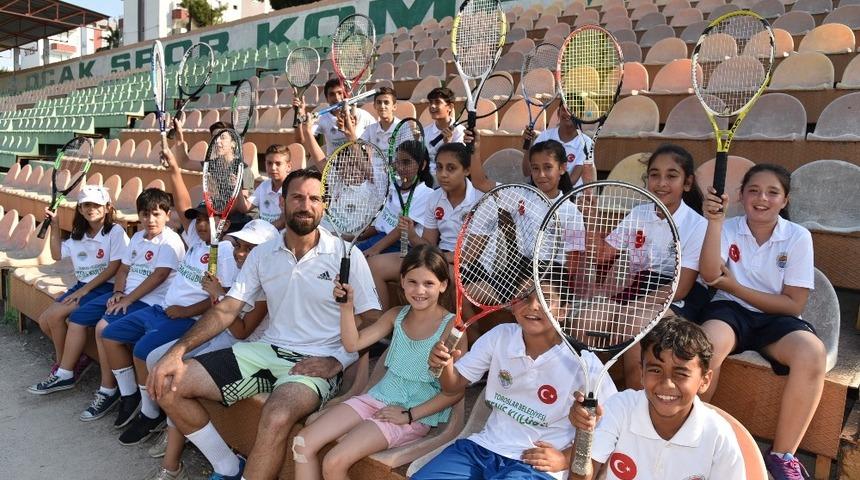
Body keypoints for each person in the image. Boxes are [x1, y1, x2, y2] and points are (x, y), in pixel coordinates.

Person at [148, 169, 382, 480]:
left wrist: (338, 359)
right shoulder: (263, 253)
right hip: (265, 350)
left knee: (276, 415)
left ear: (324, 205)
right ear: (282, 202)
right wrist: (177, 351)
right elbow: (228, 309)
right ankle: (227, 466)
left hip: (317, 361)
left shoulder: (346, 255)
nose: (306, 205)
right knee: (167, 384)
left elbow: (373, 319)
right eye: (297, 197)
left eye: (314, 199)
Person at [414, 276, 615, 480]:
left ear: (563, 311)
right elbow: (452, 386)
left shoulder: (584, 363)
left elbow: (613, 423)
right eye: (524, 297)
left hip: (536, 465)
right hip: (482, 448)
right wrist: (445, 365)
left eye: (545, 299)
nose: (533, 305)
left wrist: (566, 458)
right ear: (512, 304)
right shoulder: (500, 336)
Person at [293, 245, 464, 479]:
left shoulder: (452, 328)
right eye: (412, 282)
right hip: (377, 398)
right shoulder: (396, 315)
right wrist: (346, 307)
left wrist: (409, 415)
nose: (419, 290)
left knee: (334, 462)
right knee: (302, 442)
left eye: (429, 283)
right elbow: (353, 344)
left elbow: (453, 392)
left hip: (412, 412)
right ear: (402, 281)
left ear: (443, 285)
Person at [698, 163, 824, 480]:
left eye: (772, 192)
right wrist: (714, 223)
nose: (762, 198)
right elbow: (711, 275)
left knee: (812, 353)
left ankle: (782, 456)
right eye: (753, 190)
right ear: (741, 196)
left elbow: (793, 303)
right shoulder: (728, 227)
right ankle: (693, 435)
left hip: (776, 317)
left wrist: (736, 286)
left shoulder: (798, 236)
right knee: (705, 347)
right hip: (729, 310)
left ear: (785, 200)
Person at [143, 219, 278, 480]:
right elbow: (229, 302)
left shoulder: (268, 283)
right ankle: (177, 428)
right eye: (238, 245)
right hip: (223, 336)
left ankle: (175, 456)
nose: (240, 253)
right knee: (155, 359)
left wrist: (217, 295)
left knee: (172, 381)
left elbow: (241, 331)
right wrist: (218, 290)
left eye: (249, 248)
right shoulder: (244, 271)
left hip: (243, 346)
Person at [57, 188, 185, 428]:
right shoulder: (137, 238)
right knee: (98, 326)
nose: (150, 220)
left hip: (151, 301)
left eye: (156, 214)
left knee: (102, 328)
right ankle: (122, 392)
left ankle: (118, 391)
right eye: (145, 214)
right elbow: (124, 269)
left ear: (168, 215)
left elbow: (158, 276)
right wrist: (118, 293)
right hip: (130, 296)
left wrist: (127, 299)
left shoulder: (171, 241)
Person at [580, 314, 744, 480]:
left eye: (681, 374)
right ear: (642, 373)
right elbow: (581, 476)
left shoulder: (718, 436)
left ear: (705, 380)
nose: (667, 384)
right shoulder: (619, 408)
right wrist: (584, 433)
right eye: (656, 370)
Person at [27, 187, 130, 417]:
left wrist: (85, 290)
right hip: (83, 286)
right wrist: (55, 225)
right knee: (45, 320)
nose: (91, 209)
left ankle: (65, 371)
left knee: (58, 316)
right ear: (80, 209)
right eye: (86, 205)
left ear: (107, 208)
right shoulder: (78, 233)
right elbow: (56, 255)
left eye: (96, 205)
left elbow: (115, 267)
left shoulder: (115, 232)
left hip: (104, 287)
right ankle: (69, 364)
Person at [618, 145, 708, 389]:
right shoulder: (638, 213)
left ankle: (635, 396)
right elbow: (605, 253)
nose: (661, 183)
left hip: (678, 299)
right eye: (655, 175)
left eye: (671, 176)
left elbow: (680, 290)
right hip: (638, 288)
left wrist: (633, 305)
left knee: (636, 322)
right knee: (589, 319)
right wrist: (588, 213)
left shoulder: (698, 225)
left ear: (687, 183)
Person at [368, 141, 490, 311]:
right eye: (439, 167)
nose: (443, 174)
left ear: (467, 170)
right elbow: (428, 243)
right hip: (439, 257)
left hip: (475, 267)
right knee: (375, 265)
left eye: (451, 168)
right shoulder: (435, 197)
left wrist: (433, 256)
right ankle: (382, 320)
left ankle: (437, 324)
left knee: (427, 274)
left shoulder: (481, 200)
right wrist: (412, 235)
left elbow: (468, 256)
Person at [358, 139, 435, 256]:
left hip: (401, 247)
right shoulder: (393, 186)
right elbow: (382, 226)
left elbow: (401, 230)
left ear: (422, 165)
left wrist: (374, 249)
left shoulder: (427, 194)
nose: (400, 167)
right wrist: (354, 237)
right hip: (379, 239)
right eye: (397, 162)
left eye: (406, 162)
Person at [295, 78, 376, 167]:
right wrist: (299, 116)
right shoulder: (322, 119)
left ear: (345, 95)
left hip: (361, 167)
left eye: (340, 93)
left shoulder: (361, 115)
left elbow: (379, 135)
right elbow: (301, 140)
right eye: (332, 94)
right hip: (335, 169)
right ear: (327, 98)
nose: (337, 98)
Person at [522, 107, 596, 187]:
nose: (568, 113)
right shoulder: (545, 136)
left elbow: (571, 181)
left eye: (573, 109)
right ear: (558, 113)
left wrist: (550, 190)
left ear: (580, 115)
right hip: (544, 191)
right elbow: (527, 172)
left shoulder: (586, 142)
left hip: (570, 192)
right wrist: (529, 146)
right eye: (564, 109)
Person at [236, 144, 292, 228]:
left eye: (278, 163)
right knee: (229, 236)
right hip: (262, 231)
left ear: (288, 166)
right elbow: (245, 208)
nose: (273, 168)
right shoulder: (264, 185)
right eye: (269, 163)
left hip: (279, 234)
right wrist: (238, 188)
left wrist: (262, 231)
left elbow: (283, 221)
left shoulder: (292, 188)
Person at [423, 87, 465, 178]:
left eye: (437, 102)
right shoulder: (425, 131)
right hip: (426, 177)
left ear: (450, 107)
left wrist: (448, 143)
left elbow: (457, 163)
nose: (432, 106)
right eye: (430, 102)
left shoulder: (460, 132)